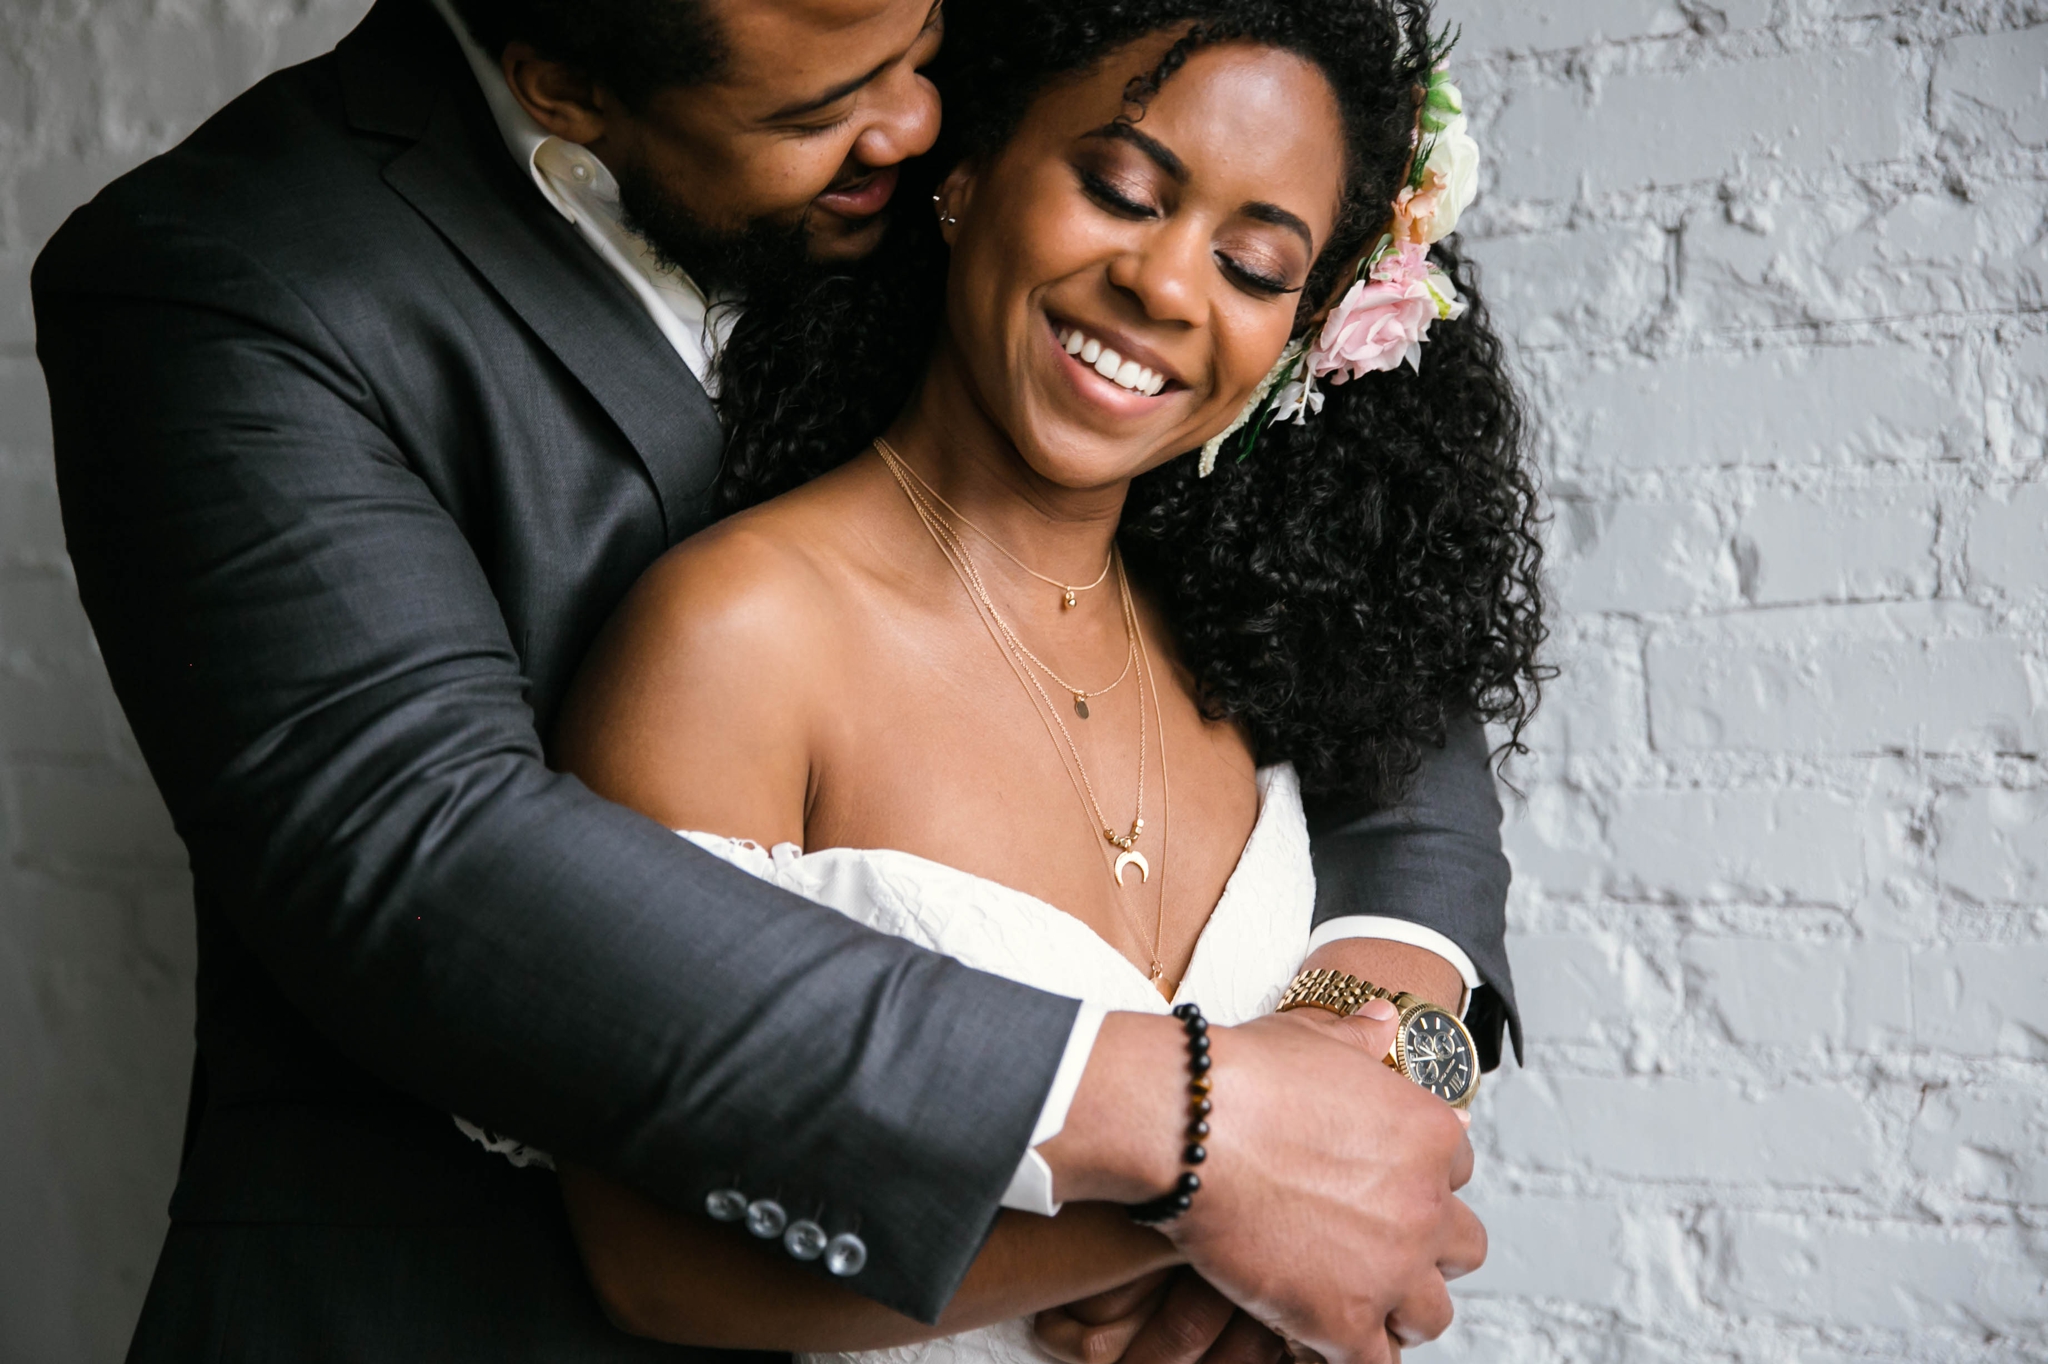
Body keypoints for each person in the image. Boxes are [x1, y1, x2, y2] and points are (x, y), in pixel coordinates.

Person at [30, 0, 1527, 1359]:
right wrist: (1198, 1151)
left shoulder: (1040, 188)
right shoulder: (234, 283)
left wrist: (1371, 1040)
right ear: (563, 80)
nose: (915, 118)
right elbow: (424, 854)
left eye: (935, 44)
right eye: (821, 111)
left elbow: (1375, 576)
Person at [536, 3, 1543, 1362]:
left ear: (1300, 338)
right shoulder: (736, 636)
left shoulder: (1262, 645)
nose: (1169, 287)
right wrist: (1218, 1217)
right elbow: (648, 1262)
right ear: (965, 174)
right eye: (1122, 191)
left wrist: (1339, 1157)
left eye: (1252, 267)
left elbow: (1419, 934)